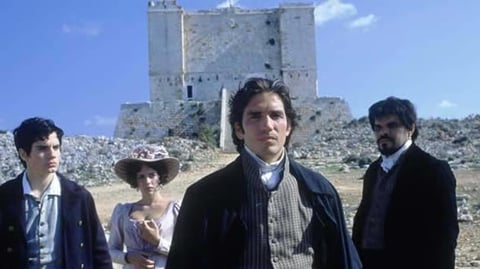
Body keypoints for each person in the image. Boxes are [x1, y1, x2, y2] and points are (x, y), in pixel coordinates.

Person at [166, 77, 361, 268]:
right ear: (239, 129)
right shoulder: (203, 196)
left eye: (276, 115)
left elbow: (342, 259)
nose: (267, 125)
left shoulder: (320, 192)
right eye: (255, 116)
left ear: (289, 127)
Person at [352, 96, 459, 269]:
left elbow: (445, 236)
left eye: (391, 126)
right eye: (378, 127)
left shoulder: (432, 170)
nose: (383, 132)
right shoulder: (373, 171)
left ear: (410, 128)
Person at [0, 117, 112, 268]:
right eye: (42, 148)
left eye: (56, 147)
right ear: (23, 154)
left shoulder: (78, 197)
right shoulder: (5, 196)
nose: (52, 154)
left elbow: (99, 252)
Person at [109, 145, 181, 269]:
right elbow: (111, 251)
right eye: (141, 177)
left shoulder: (175, 209)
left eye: (151, 175)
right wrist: (128, 257)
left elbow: (186, 252)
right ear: (135, 180)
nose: (147, 181)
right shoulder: (122, 211)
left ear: (160, 177)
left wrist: (158, 242)